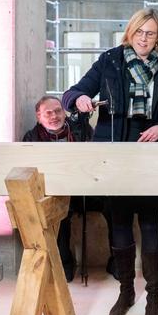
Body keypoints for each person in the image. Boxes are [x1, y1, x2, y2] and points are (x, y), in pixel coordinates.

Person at [62, 8, 158, 315]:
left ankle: (153, 299)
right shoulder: (109, 62)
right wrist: (79, 100)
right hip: (115, 155)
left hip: (151, 155)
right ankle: (126, 292)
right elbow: (71, 93)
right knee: (118, 224)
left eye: (150, 33)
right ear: (129, 33)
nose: (144, 39)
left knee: (149, 225)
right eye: (139, 32)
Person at [22, 95, 93, 282]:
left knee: (113, 207)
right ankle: (64, 265)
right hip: (53, 190)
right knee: (59, 213)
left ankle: (116, 263)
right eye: (48, 113)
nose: (54, 116)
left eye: (58, 111)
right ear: (39, 117)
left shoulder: (81, 130)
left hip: (83, 187)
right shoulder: (31, 138)